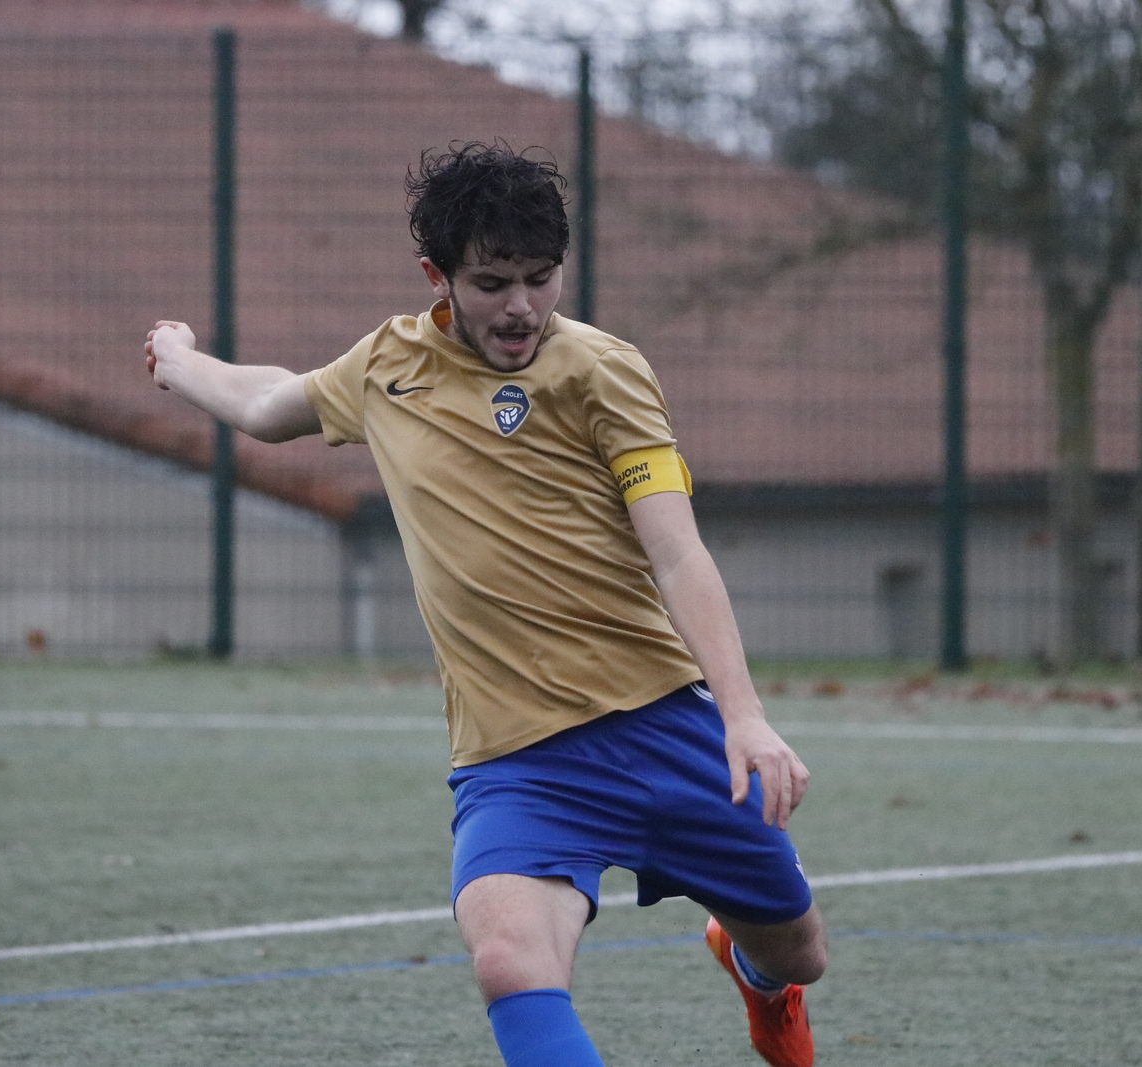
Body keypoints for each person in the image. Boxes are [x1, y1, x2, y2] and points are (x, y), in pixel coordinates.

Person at [144, 142, 827, 1067]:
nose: (521, 307)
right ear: (439, 277)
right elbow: (270, 404)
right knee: (509, 961)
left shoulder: (604, 370)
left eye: (541, 279)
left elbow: (677, 551)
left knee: (799, 950)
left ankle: (755, 972)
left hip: (663, 723)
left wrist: (743, 717)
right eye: (493, 282)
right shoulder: (388, 366)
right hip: (517, 758)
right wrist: (179, 360)